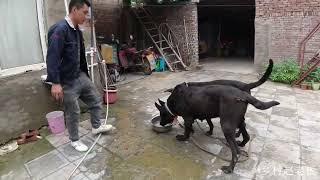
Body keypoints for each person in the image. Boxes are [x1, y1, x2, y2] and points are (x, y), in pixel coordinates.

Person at [46, 0, 112, 152]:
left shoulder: (77, 30)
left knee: (96, 99)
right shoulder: (59, 30)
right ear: (74, 10)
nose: (86, 16)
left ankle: (96, 126)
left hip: (79, 75)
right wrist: (55, 83)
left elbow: (80, 55)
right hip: (67, 81)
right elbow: (52, 57)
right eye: (84, 12)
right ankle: (74, 140)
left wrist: (86, 75)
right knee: (73, 112)